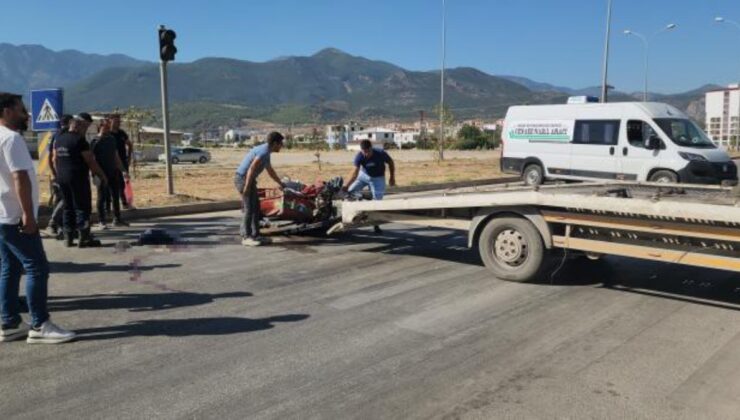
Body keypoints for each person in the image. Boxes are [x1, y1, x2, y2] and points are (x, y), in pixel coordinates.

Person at [0, 92, 75, 344]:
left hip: (2, 215)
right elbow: (20, 177)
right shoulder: (11, 139)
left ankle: (9, 323)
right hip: (15, 216)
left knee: (9, 268)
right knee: (37, 267)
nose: (27, 115)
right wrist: (28, 216)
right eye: (22, 110)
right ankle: (40, 325)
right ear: (7, 111)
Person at [52, 113, 108, 248]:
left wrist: (58, 173)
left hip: (62, 177)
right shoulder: (80, 140)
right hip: (77, 177)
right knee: (82, 207)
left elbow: (54, 159)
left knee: (67, 206)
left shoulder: (59, 139)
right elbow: (90, 161)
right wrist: (102, 175)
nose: (85, 130)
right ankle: (84, 237)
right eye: (84, 127)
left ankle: (68, 237)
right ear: (77, 127)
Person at [234, 131, 286, 247]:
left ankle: (255, 235)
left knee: (256, 208)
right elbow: (251, 169)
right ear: (275, 143)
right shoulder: (263, 152)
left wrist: (280, 183)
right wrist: (247, 187)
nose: (281, 146)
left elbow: (270, 171)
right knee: (249, 209)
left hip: (249, 180)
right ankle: (246, 236)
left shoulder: (266, 152)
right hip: (243, 179)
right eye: (280, 143)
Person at [344, 140, 396, 233]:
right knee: (350, 192)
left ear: (371, 148)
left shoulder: (380, 153)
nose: (366, 154)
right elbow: (354, 173)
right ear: (361, 150)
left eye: (368, 151)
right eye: (364, 152)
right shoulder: (359, 156)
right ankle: (349, 217)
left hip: (378, 178)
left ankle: (376, 225)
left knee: (377, 202)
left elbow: (391, 163)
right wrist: (346, 186)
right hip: (363, 176)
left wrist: (392, 177)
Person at [91, 116, 129, 229]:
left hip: (113, 172)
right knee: (101, 197)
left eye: (108, 127)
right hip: (100, 174)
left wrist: (123, 170)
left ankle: (117, 219)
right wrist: (97, 174)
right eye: (106, 127)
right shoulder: (95, 141)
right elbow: (91, 160)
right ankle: (101, 221)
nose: (108, 129)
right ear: (100, 127)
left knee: (115, 196)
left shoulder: (111, 139)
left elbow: (116, 156)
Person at [47, 114, 73, 238]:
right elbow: (52, 157)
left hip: (58, 173)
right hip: (61, 174)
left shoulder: (55, 135)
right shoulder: (62, 136)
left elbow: (49, 157)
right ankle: (53, 223)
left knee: (60, 200)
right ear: (69, 123)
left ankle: (60, 226)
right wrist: (54, 173)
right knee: (64, 200)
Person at [109, 114, 133, 209]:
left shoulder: (122, 133)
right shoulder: (108, 134)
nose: (118, 123)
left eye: (119, 122)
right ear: (110, 121)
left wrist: (129, 157)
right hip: (111, 162)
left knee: (124, 182)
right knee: (112, 183)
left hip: (123, 161)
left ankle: (125, 202)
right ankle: (111, 204)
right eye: (116, 121)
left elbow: (129, 144)